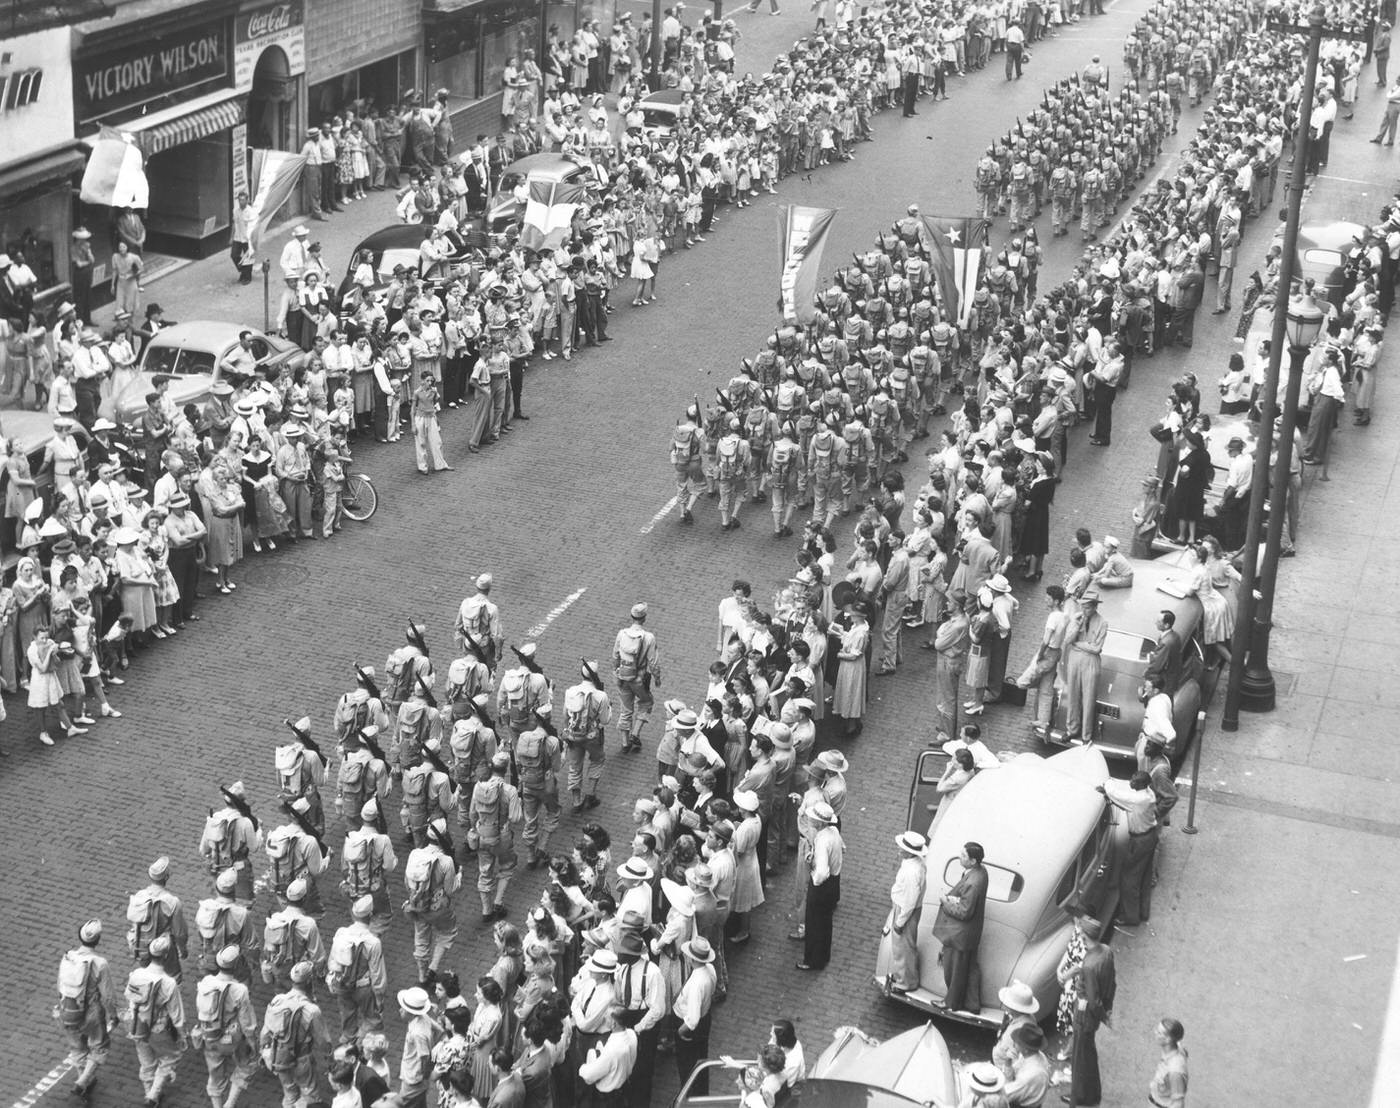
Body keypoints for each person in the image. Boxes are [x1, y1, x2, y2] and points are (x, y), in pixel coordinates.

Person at [55, 919, 118, 1099]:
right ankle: (83, 1081)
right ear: (97, 940)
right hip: (91, 1012)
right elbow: (108, 996)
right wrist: (113, 1015)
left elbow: (59, 985)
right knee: (99, 1045)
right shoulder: (100, 963)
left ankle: (85, 1079)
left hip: (68, 1009)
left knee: (77, 1047)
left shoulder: (67, 957)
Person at [123, 934, 186, 1107]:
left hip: (137, 1024)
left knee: (146, 1061)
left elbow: (131, 998)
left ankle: (149, 1092)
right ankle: (153, 1095)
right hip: (159, 1028)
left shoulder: (136, 974)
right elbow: (177, 1015)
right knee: (170, 1057)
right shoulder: (169, 983)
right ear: (166, 955)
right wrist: (182, 1036)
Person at [193, 945, 259, 1108]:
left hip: (210, 1036)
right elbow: (247, 1022)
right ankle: (229, 1103)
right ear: (236, 966)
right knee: (247, 1064)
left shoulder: (206, 983)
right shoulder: (240, 990)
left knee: (215, 1074)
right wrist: (253, 1043)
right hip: (233, 1039)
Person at [262, 961, 332, 1108]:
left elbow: (265, 1031)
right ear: (308, 981)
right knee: (310, 1095)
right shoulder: (311, 1010)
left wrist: (266, 1051)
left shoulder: (278, 1000)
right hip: (302, 1059)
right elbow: (323, 1042)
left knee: (290, 1093)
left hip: (280, 1056)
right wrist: (329, 1061)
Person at [931, 841, 988, 1013]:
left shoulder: (973, 882)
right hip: (969, 934)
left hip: (960, 935)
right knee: (967, 969)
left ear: (973, 861)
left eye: (964, 856)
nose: (959, 857)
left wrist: (945, 902)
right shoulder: (981, 872)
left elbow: (964, 912)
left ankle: (951, 1003)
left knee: (953, 970)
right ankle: (971, 1004)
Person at [1101, 771, 1158, 928]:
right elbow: (1126, 803)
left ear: (1140, 785)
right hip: (1150, 836)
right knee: (1144, 877)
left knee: (1129, 879)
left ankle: (1130, 917)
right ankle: (1143, 912)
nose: (1130, 782)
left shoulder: (1138, 799)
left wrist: (1106, 785)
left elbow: (1116, 793)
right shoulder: (1148, 794)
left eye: (1134, 781)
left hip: (1139, 841)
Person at [1069, 917, 1114, 1107]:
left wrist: (1104, 1017)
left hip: (1084, 1014)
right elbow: (1112, 983)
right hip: (1094, 1013)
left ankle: (1077, 1097)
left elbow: (1093, 1001)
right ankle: (1092, 1094)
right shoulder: (1106, 952)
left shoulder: (1089, 965)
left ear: (1084, 936)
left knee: (1079, 1059)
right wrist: (1108, 1008)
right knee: (1088, 1054)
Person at [797, 800, 843, 971]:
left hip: (822, 886)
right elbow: (841, 849)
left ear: (821, 822)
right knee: (825, 922)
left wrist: (815, 879)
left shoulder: (823, 839)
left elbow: (822, 872)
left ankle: (812, 960)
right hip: (833, 882)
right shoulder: (833, 832)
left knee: (814, 922)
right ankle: (823, 956)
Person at [881, 830, 927, 994]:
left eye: (902, 848)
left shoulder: (910, 872)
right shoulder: (918, 864)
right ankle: (906, 977)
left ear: (909, 852)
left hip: (905, 910)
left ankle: (905, 982)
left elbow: (909, 900)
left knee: (902, 947)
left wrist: (900, 922)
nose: (899, 850)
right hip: (911, 909)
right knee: (907, 945)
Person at [613, 603, 661, 753]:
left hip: (622, 676)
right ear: (644, 618)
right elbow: (653, 662)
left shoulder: (622, 634)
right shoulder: (648, 637)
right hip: (639, 679)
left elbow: (615, 655)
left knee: (625, 709)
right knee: (647, 702)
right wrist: (657, 678)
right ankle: (635, 733)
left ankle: (625, 742)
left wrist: (616, 672)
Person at [673, 938, 717, 1094]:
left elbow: (692, 1020)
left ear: (692, 958)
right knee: (700, 1059)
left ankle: (688, 1095)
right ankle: (701, 1092)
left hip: (690, 1027)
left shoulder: (696, 984)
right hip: (705, 1019)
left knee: (687, 1065)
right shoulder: (710, 969)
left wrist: (680, 1032)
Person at [1062, 587, 1105, 744]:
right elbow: (1067, 640)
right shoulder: (1077, 618)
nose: (1084, 610)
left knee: (1088, 698)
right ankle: (1072, 729)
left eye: (1087, 607)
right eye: (1083, 606)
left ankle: (1086, 735)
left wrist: (1078, 643)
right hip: (1074, 660)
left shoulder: (1102, 623)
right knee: (1072, 694)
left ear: (1094, 607)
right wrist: (1076, 626)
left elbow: (1096, 648)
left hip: (1090, 662)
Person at [830, 602, 870, 737]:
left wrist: (839, 654)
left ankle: (852, 724)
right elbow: (850, 640)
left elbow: (854, 655)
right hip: (849, 666)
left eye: (854, 614)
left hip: (852, 666)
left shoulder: (861, 634)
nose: (851, 616)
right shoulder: (857, 626)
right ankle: (849, 719)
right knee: (848, 689)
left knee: (852, 690)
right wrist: (841, 634)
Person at [1148, 1018, 1188, 1108]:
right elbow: (1181, 1048)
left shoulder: (1175, 1071)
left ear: (1168, 1039)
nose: (1155, 1033)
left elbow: (1178, 1104)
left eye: (1159, 1032)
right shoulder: (1174, 1051)